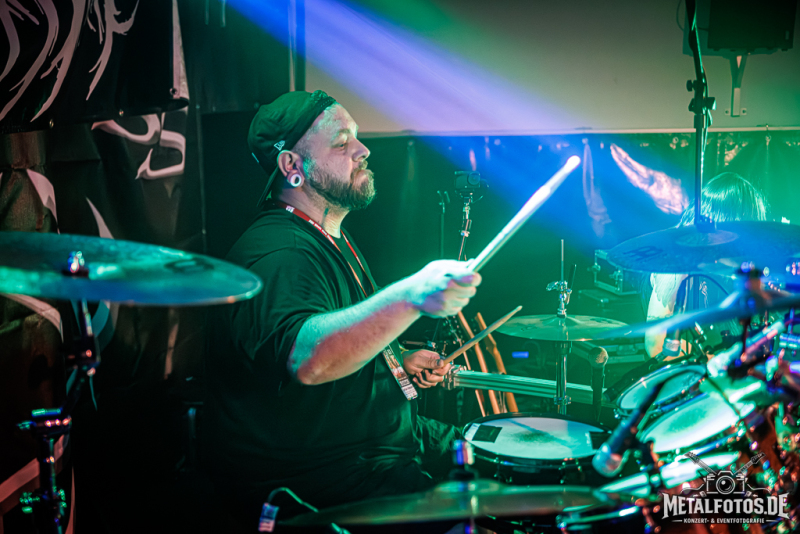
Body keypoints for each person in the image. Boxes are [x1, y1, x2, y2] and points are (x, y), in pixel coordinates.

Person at [203, 90, 482, 526]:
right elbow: (309, 359)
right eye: (341, 142)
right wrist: (412, 295)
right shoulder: (282, 252)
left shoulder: (329, 234)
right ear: (292, 166)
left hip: (386, 446)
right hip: (329, 481)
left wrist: (394, 360)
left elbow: (337, 337)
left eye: (357, 136)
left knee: (498, 457)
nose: (362, 149)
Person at [644, 172, 769, 358]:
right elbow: (656, 344)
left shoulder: (739, 267)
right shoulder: (679, 262)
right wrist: (718, 361)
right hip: (692, 372)